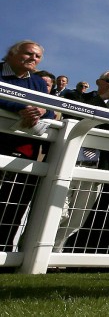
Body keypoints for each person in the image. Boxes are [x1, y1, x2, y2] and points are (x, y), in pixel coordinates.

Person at [0, 40, 55, 251]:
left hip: (23, 147)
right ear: (12, 54)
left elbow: (49, 109)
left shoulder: (39, 82)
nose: (33, 59)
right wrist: (20, 108)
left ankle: (4, 249)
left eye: (37, 56)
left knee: (14, 200)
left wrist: (41, 111)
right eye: (29, 54)